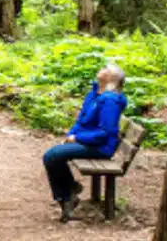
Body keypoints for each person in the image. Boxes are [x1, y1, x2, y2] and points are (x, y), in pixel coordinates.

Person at [43, 64, 127, 222]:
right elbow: (82, 121)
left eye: (106, 69)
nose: (101, 68)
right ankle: (68, 195)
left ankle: (68, 195)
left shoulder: (111, 101)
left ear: (112, 78)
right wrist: (71, 135)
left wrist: (78, 138)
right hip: (90, 142)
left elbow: (106, 133)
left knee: (52, 156)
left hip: (100, 148)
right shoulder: (96, 94)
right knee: (53, 156)